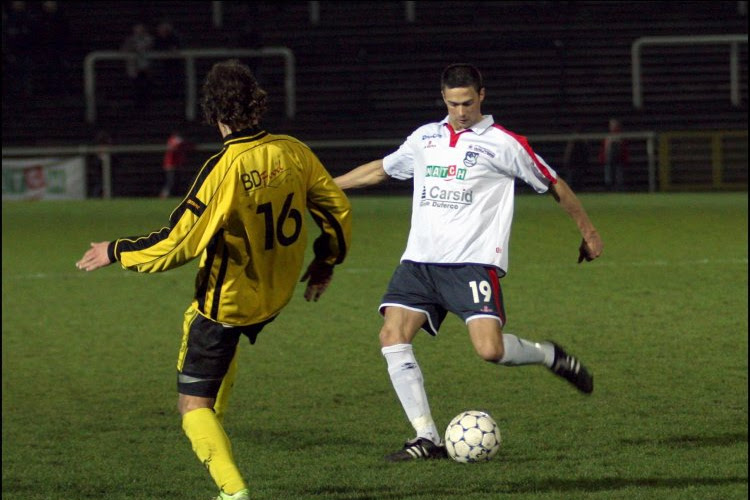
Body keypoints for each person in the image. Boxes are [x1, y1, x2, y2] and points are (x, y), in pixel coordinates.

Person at [75, 59, 352, 500]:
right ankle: (215, 427)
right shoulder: (293, 151)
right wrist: (326, 261)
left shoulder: (223, 169)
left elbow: (176, 244)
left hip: (229, 303)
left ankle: (232, 491)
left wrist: (116, 250)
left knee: (192, 405)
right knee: (221, 357)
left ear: (213, 112)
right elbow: (335, 210)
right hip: (275, 294)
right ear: (257, 105)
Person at [334, 63, 603, 462]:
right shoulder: (426, 137)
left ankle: (549, 354)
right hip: (420, 263)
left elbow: (552, 183)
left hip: (471, 264)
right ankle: (426, 437)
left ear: (482, 96)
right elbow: (381, 169)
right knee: (392, 336)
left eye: (467, 102)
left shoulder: (505, 143)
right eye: (452, 103)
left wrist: (589, 231)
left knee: (490, 351)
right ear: (443, 99)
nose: (460, 111)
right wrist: (324, 188)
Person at [121, 23, 154, 108]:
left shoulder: (149, 39)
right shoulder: (130, 40)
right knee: (137, 86)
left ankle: (146, 104)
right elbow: (124, 50)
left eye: (140, 28)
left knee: (146, 85)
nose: (138, 30)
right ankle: (138, 104)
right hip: (134, 66)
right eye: (137, 28)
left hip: (146, 66)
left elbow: (151, 48)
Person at [599, 118, 629, 191]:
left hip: (618, 159)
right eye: (611, 125)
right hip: (609, 159)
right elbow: (605, 148)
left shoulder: (620, 135)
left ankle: (618, 188)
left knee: (618, 174)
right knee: (608, 174)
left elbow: (623, 147)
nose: (612, 126)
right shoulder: (608, 136)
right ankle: (609, 188)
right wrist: (604, 157)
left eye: (614, 125)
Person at [159, 128, 190, 198]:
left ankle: (175, 195)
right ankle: (164, 196)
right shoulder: (173, 140)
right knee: (170, 181)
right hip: (170, 165)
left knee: (177, 181)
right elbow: (175, 146)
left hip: (177, 164)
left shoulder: (179, 140)